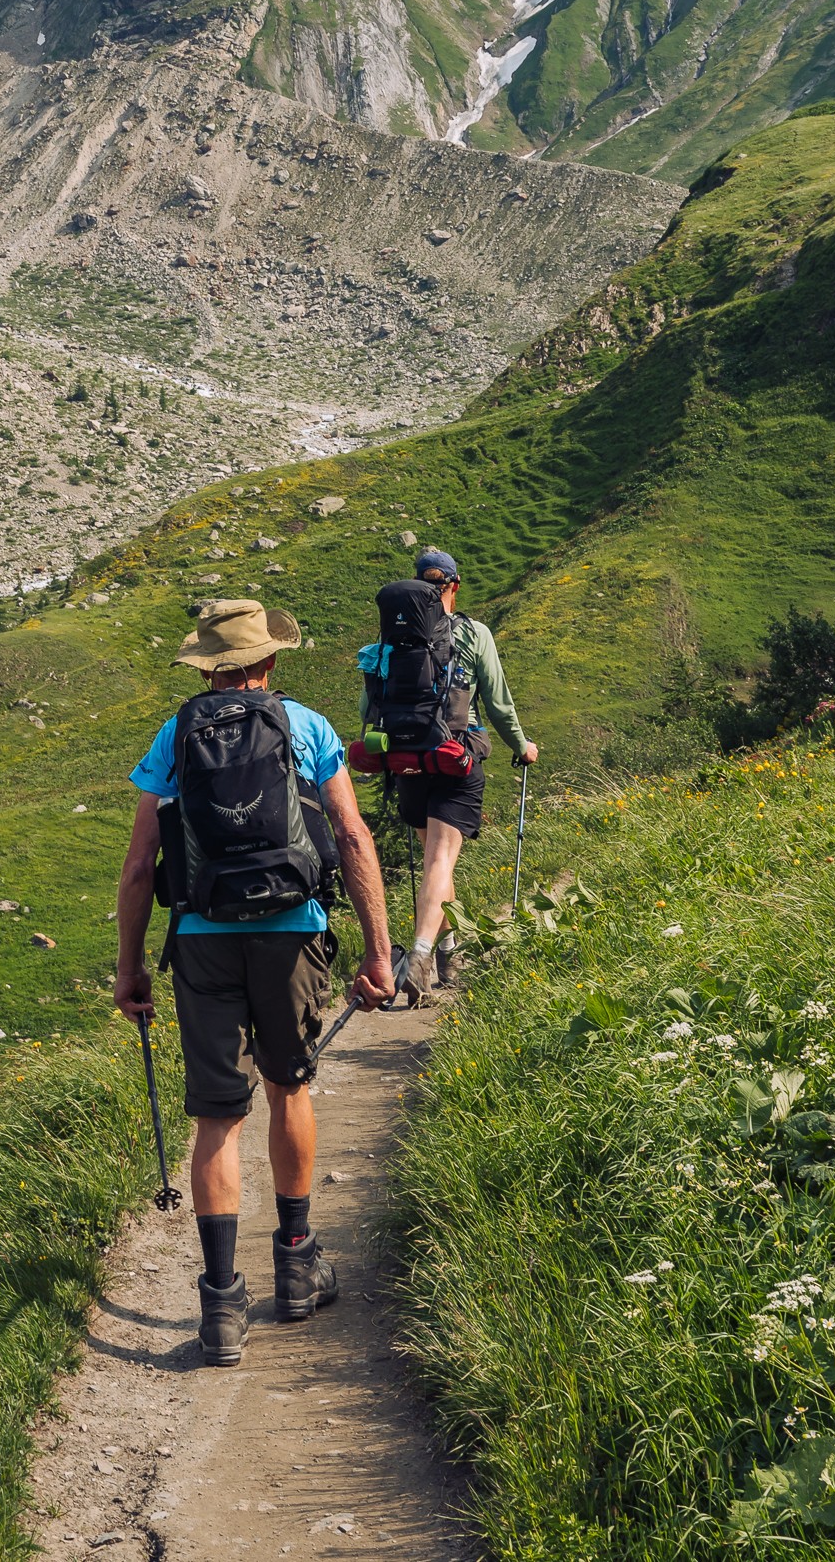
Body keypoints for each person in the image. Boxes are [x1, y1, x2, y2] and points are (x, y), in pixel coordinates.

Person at [115, 598, 396, 1368]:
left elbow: (142, 864)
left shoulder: (174, 736)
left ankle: (219, 1309)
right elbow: (350, 834)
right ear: (269, 662)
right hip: (291, 931)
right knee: (289, 1087)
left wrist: (130, 965)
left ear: (207, 669)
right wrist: (380, 951)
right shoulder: (303, 725)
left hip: (202, 940)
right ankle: (298, 1265)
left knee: (217, 1118)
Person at [393, 548, 535, 1004]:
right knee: (440, 862)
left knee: (437, 860)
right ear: (454, 585)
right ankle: (419, 953)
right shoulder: (474, 634)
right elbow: (497, 702)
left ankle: (448, 952)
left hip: (410, 761)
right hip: (457, 756)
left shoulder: (393, 639)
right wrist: (522, 747)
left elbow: (366, 707)